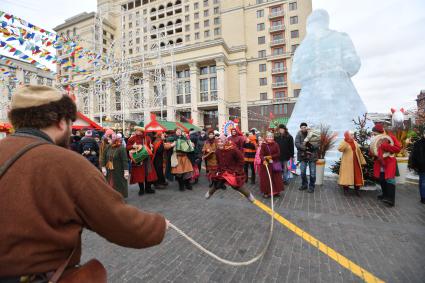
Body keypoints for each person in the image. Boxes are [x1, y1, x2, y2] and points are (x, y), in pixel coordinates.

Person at [0, 86, 167, 281]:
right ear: (60, 122)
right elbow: (118, 221)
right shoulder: (68, 163)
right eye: (70, 122)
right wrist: (159, 225)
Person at [205, 136, 255, 202]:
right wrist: (217, 170)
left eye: (221, 142)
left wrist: (237, 170)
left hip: (232, 171)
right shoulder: (217, 151)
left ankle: (248, 195)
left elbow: (241, 160)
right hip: (222, 171)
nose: (219, 143)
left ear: (225, 141)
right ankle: (209, 193)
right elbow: (218, 162)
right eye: (218, 142)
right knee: (217, 184)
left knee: (236, 185)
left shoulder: (233, 149)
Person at [371, 124, 401, 207]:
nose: (374, 135)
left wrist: (384, 146)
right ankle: (385, 195)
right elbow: (374, 150)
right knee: (382, 179)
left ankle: (390, 199)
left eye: (375, 133)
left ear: (379, 132)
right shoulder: (376, 139)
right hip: (380, 162)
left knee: (390, 179)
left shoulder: (390, 137)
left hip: (389, 162)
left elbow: (398, 149)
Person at [126, 126, 157, 195]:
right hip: (138, 159)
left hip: (147, 158)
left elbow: (149, 147)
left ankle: (148, 188)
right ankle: (141, 189)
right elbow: (127, 147)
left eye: (138, 130)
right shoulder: (132, 138)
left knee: (148, 173)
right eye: (136, 130)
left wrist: (151, 147)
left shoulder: (147, 138)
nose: (136, 132)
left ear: (142, 131)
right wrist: (133, 146)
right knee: (139, 175)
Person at [337, 131, 366, 196]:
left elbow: (359, 152)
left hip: (356, 162)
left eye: (353, 134)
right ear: (347, 135)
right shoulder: (344, 142)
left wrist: (362, 161)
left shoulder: (355, 142)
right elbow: (340, 149)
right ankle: (346, 190)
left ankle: (357, 190)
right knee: (346, 176)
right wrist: (346, 142)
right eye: (351, 135)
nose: (353, 136)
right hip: (347, 163)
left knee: (357, 176)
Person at [101, 131, 129, 198]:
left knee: (119, 184)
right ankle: (111, 197)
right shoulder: (108, 147)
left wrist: (126, 171)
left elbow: (124, 160)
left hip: (119, 170)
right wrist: (103, 167)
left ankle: (120, 197)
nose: (108, 141)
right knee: (109, 183)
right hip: (109, 170)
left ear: (114, 140)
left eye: (109, 139)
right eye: (108, 139)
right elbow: (103, 157)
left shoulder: (121, 148)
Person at [295, 122, 319, 193]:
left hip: (312, 155)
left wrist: (311, 147)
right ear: (300, 128)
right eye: (302, 127)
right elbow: (297, 144)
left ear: (307, 127)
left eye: (304, 127)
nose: (303, 128)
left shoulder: (314, 133)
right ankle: (304, 184)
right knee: (302, 172)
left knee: (312, 172)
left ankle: (311, 186)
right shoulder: (298, 134)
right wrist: (305, 148)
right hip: (303, 156)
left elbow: (317, 144)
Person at [259, 132, 284, 198]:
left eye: (271, 137)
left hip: (274, 163)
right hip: (266, 164)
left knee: (276, 178)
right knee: (266, 179)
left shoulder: (276, 144)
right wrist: (263, 160)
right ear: (266, 137)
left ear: (273, 138)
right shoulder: (263, 145)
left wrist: (270, 157)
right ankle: (267, 192)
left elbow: (278, 153)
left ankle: (276, 191)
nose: (269, 138)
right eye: (268, 137)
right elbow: (261, 154)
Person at [408, 131, 425, 204]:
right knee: (423, 181)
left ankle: (423, 198)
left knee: (422, 181)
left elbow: (414, 155)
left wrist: (415, 165)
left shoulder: (417, 143)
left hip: (421, 166)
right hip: (422, 165)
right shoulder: (418, 143)